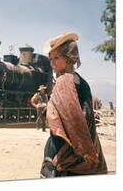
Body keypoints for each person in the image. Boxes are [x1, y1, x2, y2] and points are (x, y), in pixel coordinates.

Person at [40, 32, 107, 177]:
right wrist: (90, 150)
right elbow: (87, 119)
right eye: (51, 59)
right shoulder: (83, 82)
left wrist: (85, 150)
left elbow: (73, 120)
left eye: (56, 58)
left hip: (63, 150)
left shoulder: (63, 81)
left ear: (69, 57)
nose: (53, 63)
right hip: (84, 148)